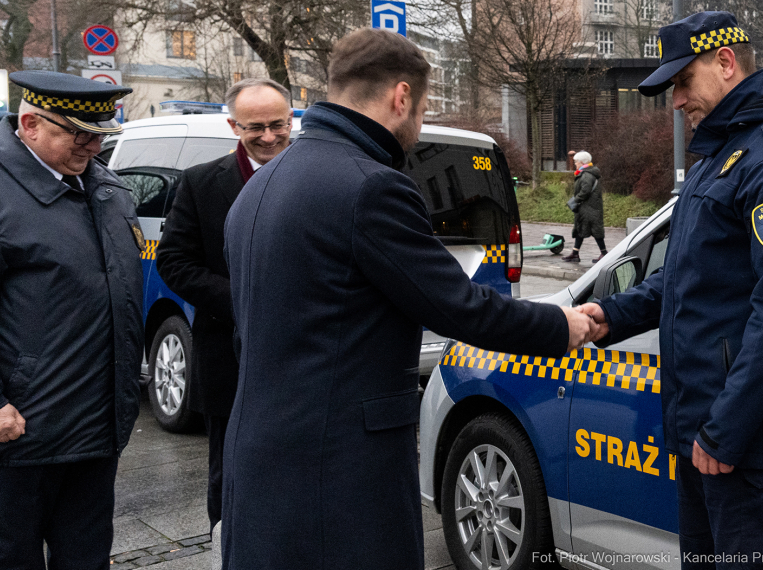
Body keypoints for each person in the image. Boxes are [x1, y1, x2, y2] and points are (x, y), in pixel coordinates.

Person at [221, 28, 605, 570]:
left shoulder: (260, 186)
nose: (419, 123)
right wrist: (559, 326)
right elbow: (458, 306)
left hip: (260, 464)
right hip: (341, 477)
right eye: (422, 109)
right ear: (401, 97)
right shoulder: (368, 186)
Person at [584, 11, 763, 568]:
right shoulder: (718, 160)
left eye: (681, 82)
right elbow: (683, 281)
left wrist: (724, 432)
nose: (675, 101)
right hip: (708, 443)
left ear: (724, 63)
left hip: (751, 454)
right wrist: (609, 315)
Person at [0, 71, 143, 569]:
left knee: (86, 559)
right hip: (17, 432)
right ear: (29, 123)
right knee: (5, 560)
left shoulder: (104, 188)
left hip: (95, 426)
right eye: (78, 133)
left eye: (100, 135)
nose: (91, 145)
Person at [155, 77, 292, 532]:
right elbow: (174, 262)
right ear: (233, 125)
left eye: (278, 124)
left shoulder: (315, 176)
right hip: (229, 360)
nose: (269, 136)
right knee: (230, 473)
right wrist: (246, 303)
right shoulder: (200, 183)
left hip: (303, 359)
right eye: (256, 127)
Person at [562, 150, 607, 263]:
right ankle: (575, 254)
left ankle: (604, 253)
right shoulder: (587, 173)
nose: (575, 164)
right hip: (587, 207)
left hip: (589, 208)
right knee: (580, 229)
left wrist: (575, 200)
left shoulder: (586, 174)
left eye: (576, 162)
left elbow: (585, 190)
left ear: (582, 162)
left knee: (595, 231)